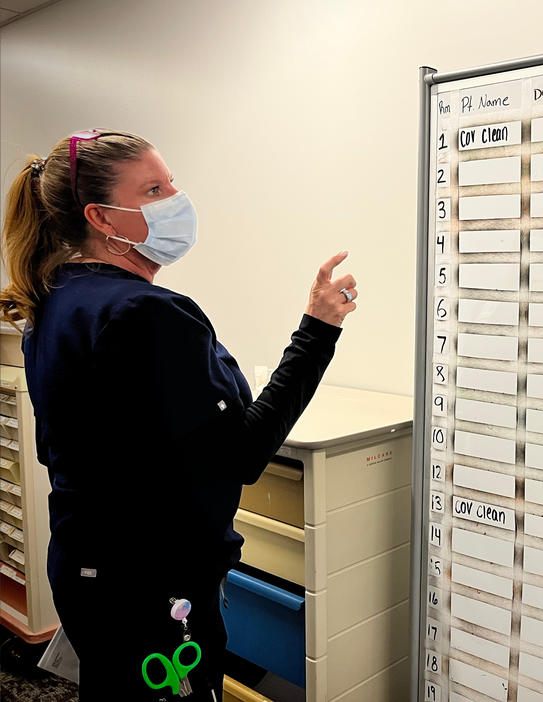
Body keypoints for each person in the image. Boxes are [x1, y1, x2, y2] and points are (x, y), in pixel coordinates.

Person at [0, 130, 358, 700]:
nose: (175, 198)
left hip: (87, 563)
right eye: (154, 188)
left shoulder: (56, 296)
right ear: (102, 217)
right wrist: (318, 329)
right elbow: (244, 453)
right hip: (151, 586)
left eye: (171, 182)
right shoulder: (147, 312)